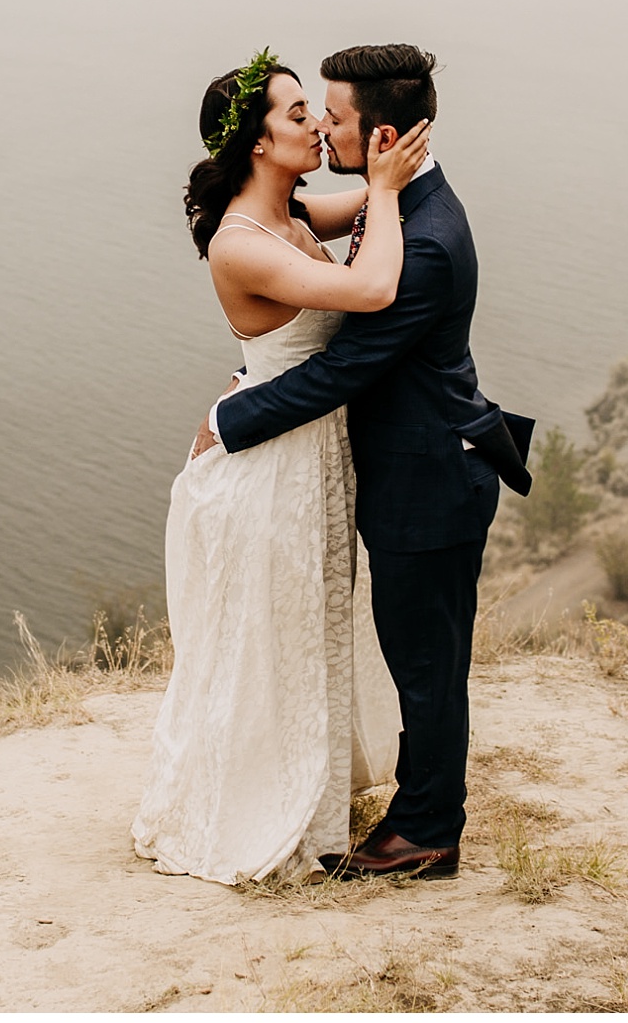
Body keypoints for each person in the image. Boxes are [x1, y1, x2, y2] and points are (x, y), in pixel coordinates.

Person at [191, 43, 532, 882]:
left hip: (428, 479)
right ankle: (408, 806)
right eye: (304, 112)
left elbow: (344, 366)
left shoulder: (422, 241)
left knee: (426, 666)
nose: (321, 126)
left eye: (331, 115)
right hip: (409, 471)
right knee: (417, 656)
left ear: (379, 134)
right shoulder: (404, 206)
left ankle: (425, 828)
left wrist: (230, 416)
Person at [130, 49, 428, 885]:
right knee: (271, 641)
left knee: (311, 628)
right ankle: (260, 807)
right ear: (258, 143)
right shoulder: (241, 241)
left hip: (310, 453)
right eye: (299, 114)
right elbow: (370, 290)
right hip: (269, 471)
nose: (317, 125)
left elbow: (364, 198)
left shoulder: (294, 212)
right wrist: (394, 190)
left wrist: (388, 165)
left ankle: (319, 804)